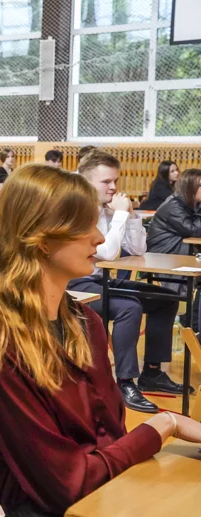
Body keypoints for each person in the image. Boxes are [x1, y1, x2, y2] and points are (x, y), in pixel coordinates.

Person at [0, 164, 201, 517]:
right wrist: (163, 425)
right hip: (54, 513)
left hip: (106, 487)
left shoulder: (84, 321)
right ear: (42, 240)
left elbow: (108, 437)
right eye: (84, 227)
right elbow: (67, 484)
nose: (99, 238)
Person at [66, 151, 182, 413]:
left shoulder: (108, 209)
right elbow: (106, 252)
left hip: (101, 280)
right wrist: (119, 216)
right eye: (106, 182)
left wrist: (130, 214)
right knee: (129, 307)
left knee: (165, 298)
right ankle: (125, 382)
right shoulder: (77, 209)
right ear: (86, 182)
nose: (113, 187)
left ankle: (152, 372)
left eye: (115, 181)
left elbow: (138, 249)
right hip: (75, 285)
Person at [147, 168, 201, 331]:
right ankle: (193, 321)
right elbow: (193, 230)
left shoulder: (190, 203)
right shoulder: (173, 205)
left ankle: (193, 320)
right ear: (190, 187)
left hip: (181, 249)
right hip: (164, 254)